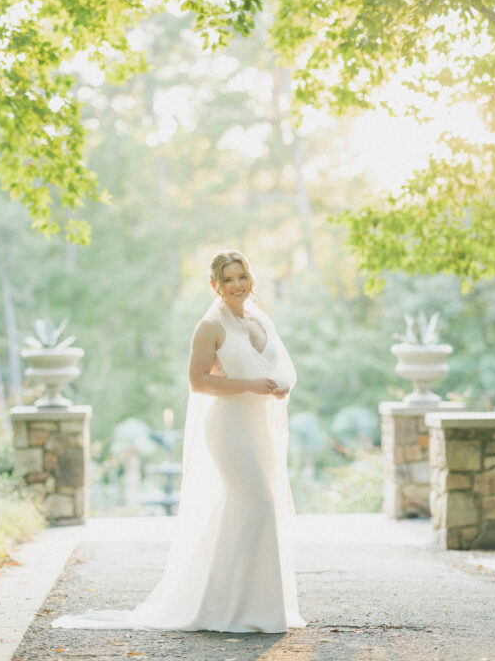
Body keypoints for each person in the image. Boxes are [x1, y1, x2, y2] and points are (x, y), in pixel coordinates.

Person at [52, 249, 306, 633]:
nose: (236, 285)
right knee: (258, 502)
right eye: (228, 279)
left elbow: (279, 367)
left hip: (258, 427)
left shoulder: (259, 319)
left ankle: (255, 606)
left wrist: (278, 387)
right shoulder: (210, 326)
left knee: (243, 509)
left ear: (251, 280)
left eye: (242, 277)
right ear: (214, 285)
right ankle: (226, 608)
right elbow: (199, 381)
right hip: (229, 428)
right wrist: (251, 385)